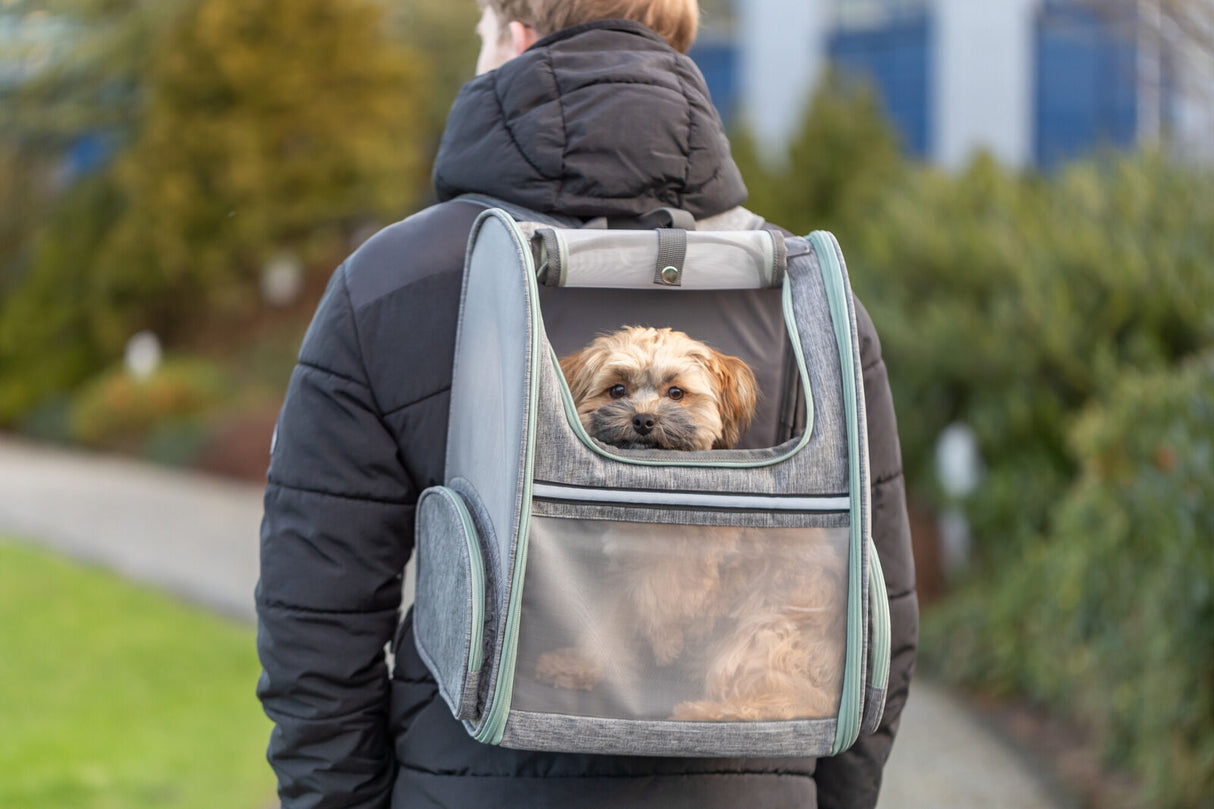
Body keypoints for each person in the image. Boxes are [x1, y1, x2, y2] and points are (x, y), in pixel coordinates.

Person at [256, 1, 918, 807]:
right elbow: (873, 622)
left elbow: (316, 633)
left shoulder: (389, 283)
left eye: (482, 32)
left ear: (519, 40)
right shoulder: (811, 298)